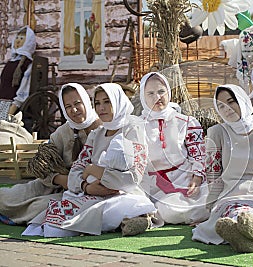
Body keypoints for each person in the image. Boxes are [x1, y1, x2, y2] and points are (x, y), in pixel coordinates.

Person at [23, 83, 156, 237]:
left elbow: (133, 178)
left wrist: (95, 171)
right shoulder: (97, 134)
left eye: (107, 102)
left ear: (118, 101)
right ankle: (124, 221)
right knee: (54, 229)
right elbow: (76, 171)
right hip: (92, 194)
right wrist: (86, 186)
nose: (101, 108)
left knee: (130, 205)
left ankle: (137, 218)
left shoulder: (133, 129)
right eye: (97, 103)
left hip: (123, 194)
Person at [192, 84, 253, 253]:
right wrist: (210, 207)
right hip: (231, 193)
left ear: (242, 100)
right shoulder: (217, 133)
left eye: (231, 102)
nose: (227, 109)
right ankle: (245, 233)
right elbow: (214, 174)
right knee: (235, 211)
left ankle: (247, 232)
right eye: (221, 106)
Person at [0, 83, 101, 225]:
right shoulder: (62, 133)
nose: (74, 110)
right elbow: (42, 166)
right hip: (55, 185)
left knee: (41, 206)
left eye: (77, 103)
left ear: (86, 101)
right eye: (68, 107)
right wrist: (61, 179)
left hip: (85, 190)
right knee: (6, 197)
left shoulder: (103, 128)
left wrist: (79, 184)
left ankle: (17, 216)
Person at [139, 72, 209, 225]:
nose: (157, 97)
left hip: (186, 179)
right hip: (155, 185)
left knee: (212, 195)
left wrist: (196, 179)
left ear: (168, 93)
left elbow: (198, 156)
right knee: (166, 209)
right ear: (143, 97)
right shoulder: (138, 126)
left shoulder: (186, 122)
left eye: (161, 91)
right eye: (150, 93)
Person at [0, 26, 36, 116]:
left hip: (12, 105)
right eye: (17, 38)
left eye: (21, 38)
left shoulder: (27, 64)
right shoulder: (10, 62)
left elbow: (24, 87)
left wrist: (14, 106)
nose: (18, 41)